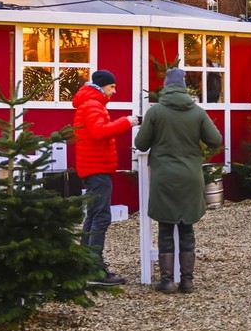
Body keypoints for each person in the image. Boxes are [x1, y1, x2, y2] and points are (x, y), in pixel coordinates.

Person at [135, 67, 223, 293]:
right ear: (184, 86)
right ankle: (187, 281)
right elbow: (215, 140)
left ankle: (167, 281)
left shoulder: (156, 112)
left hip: (164, 177)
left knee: (165, 228)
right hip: (190, 176)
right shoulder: (197, 112)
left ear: (166, 86)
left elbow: (141, 144)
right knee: (187, 229)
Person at [72, 69, 139, 286]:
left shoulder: (89, 104)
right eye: (112, 87)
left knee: (92, 216)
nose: (114, 91)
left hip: (93, 168)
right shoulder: (93, 105)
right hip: (97, 168)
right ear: (101, 87)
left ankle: (85, 265)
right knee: (101, 217)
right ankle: (94, 270)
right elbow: (99, 132)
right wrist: (127, 122)